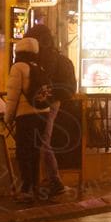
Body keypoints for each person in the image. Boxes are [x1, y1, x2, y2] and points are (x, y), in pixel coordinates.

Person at [30, 20, 74, 201]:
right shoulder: (54, 53)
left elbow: (42, 80)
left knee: (43, 140)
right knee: (43, 139)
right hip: (54, 100)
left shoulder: (44, 56)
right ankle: (50, 178)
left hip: (46, 101)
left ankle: (55, 181)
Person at [4, 36, 50, 203]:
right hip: (43, 112)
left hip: (26, 115)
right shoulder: (39, 66)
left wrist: (7, 117)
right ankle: (36, 186)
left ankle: (25, 189)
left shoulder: (18, 67)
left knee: (23, 151)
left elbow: (12, 96)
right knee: (36, 150)